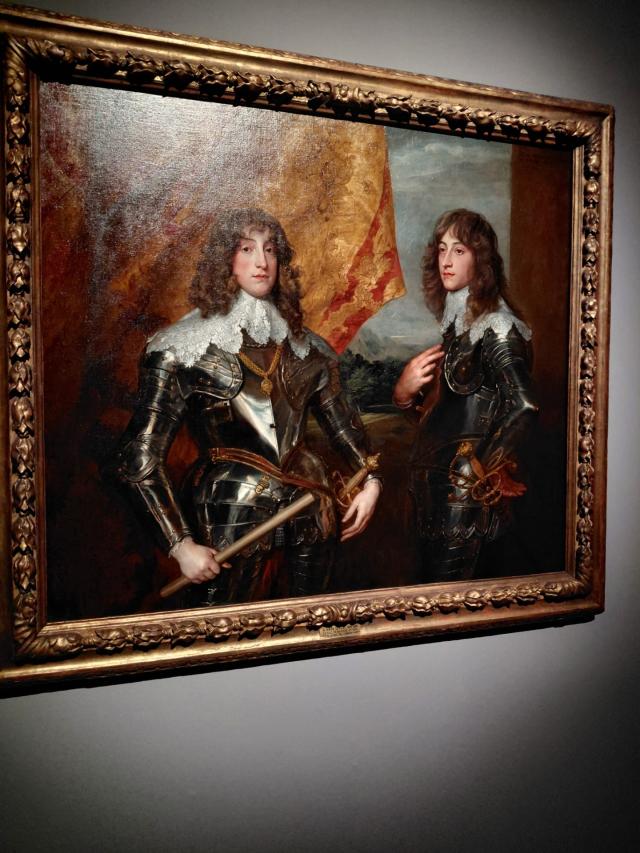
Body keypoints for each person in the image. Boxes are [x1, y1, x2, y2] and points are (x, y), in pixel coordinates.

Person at [114, 208, 381, 606]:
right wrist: (180, 545)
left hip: (312, 510)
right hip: (229, 512)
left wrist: (371, 482)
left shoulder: (311, 350)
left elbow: (346, 429)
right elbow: (138, 457)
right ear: (226, 258)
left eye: (270, 250)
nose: (261, 262)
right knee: (226, 626)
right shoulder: (181, 347)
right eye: (246, 249)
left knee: (312, 622)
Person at [393, 209, 538, 582]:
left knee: (450, 599)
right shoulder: (460, 328)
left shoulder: (497, 326)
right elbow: (449, 419)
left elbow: (523, 405)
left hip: (464, 499)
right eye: (442, 249)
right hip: (437, 494)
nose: (446, 260)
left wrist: (480, 469)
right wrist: (404, 395)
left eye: (459, 250)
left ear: (481, 259)